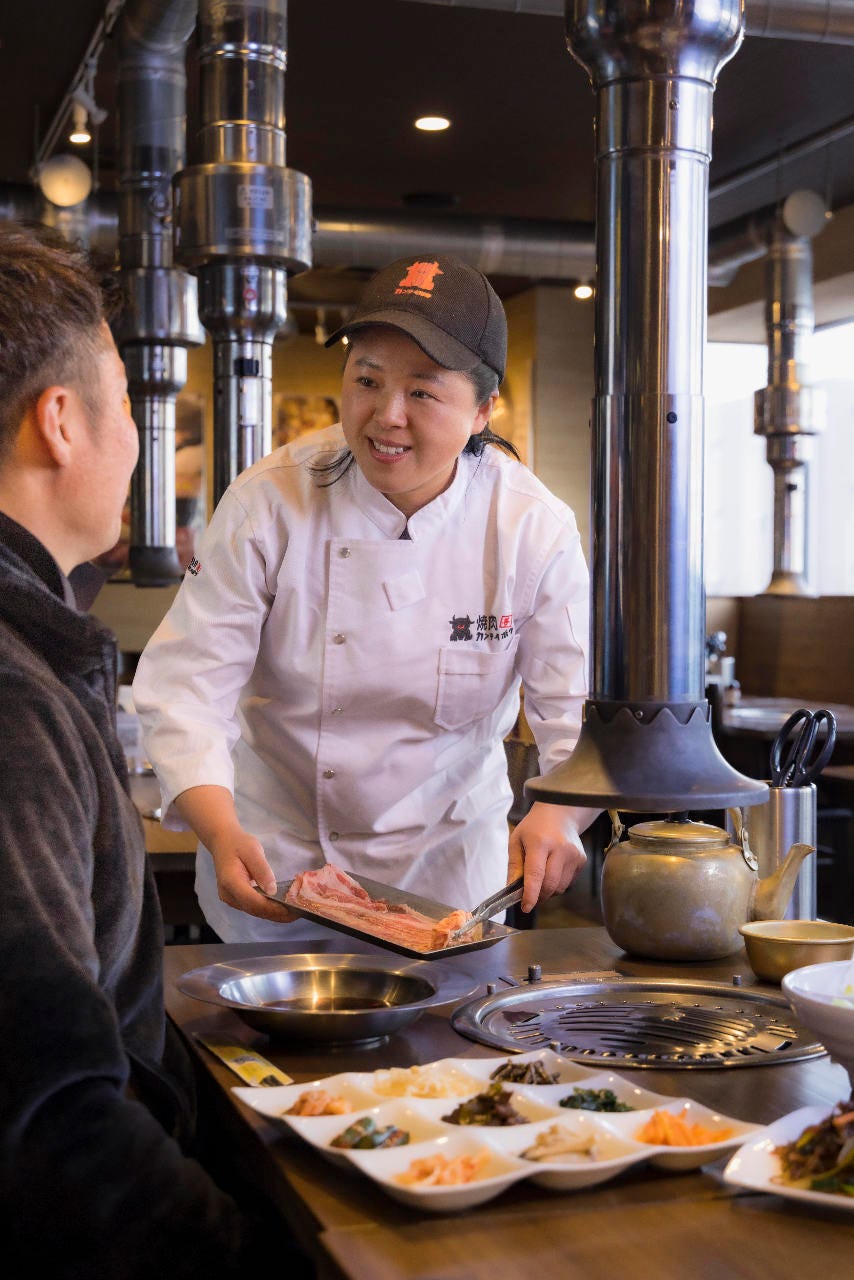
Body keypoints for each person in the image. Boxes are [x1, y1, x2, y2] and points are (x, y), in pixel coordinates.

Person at [132, 254, 597, 943]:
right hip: (276, 869)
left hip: (447, 883)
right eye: (367, 380)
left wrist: (560, 813)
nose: (386, 416)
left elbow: (577, 712)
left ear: (482, 411)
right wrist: (219, 828)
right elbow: (186, 689)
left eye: (423, 392)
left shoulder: (530, 526)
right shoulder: (271, 500)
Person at [0, 223, 293, 1277]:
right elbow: (49, 1105)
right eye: (129, 406)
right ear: (62, 421)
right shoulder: (11, 700)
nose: (141, 440)